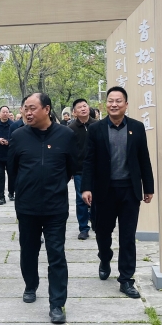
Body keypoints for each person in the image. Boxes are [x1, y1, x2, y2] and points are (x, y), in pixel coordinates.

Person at [8, 93, 76, 324]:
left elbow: (71, 168)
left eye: (32, 108)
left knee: (56, 254)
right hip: (27, 206)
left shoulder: (66, 135)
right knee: (29, 250)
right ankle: (30, 284)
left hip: (55, 206)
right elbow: (12, 169)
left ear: (47, 109)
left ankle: (57, 304)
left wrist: (53, 184)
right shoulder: (18, 136)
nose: (28, 113)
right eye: (25, 108)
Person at [81, 86, 154, 299]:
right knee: (103, 232)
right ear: (106, 105)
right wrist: (86, 187)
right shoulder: (96, 129)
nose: (114, 104)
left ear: (126, 104)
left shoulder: (137, 128)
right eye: (111, 101)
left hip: (129, 190)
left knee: (128, 236)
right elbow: (89, 160)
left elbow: (144, 159)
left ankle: (126, 279)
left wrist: (148, 187)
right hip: (104, 190)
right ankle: (105, 258)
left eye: (118, 101)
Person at [67, 98, 97, 240]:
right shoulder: (71, 129)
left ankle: (96, 222)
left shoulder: (97, 125)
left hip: (97, 168)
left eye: (85, 106)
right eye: (79, 107)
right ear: (74, 112)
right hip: (80, 169)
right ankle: (83, 228)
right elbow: (69, 150)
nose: (83, 109)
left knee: (98, 197)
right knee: (81, 199)